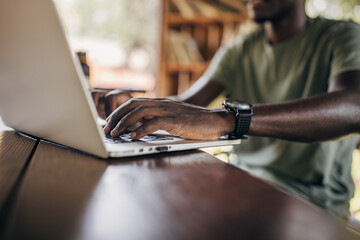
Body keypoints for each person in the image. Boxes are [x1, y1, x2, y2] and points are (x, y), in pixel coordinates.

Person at [93, 0, 360, 218]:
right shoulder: (240, 49)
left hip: (312, 205)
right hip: (242, 187)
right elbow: (188, 104)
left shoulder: (342, 36)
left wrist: (228, 119)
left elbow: (353, 106)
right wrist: (135, 107)